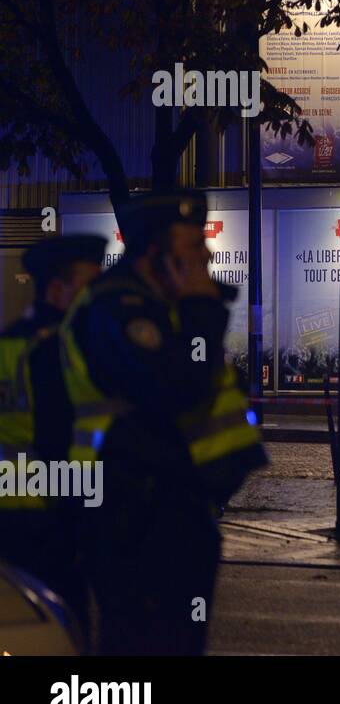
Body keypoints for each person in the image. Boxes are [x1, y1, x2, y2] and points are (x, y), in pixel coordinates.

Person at [60, 191, 266, 655]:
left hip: (174, 510)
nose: (207, 256)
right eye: (194, 247)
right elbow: (176, 388)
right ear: (156, 251)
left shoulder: (158, 308)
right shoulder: (116, 308)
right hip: (132, 515)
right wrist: (201, 310)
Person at [0, 234, 106, 633]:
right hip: (51, 517)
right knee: (63, 628)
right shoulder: (58, 348)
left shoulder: (12, 339)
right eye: (87, 285)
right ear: (59, 288)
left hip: (11, 509)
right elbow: (59, 443)